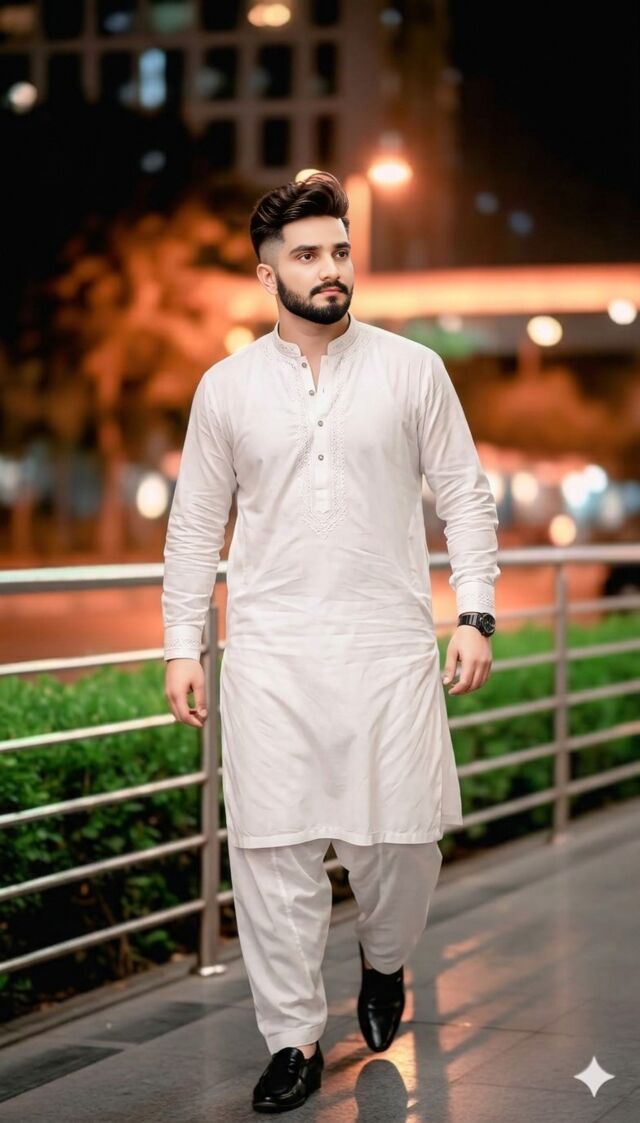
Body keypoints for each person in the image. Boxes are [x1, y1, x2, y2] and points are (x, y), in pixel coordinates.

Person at [162, 172, 500, 1112]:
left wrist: (475, 612)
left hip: (389, 649)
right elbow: (195, 525)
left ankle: (384, 955)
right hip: (270, 656)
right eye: (307, 254)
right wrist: (182, 641)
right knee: (273, 855)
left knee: (403, 844)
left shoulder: (412, 370)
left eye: (340, 250)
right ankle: (293, 1040)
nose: (330, 268)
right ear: (267, 274)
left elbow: (466, 495)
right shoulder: (226, 388)